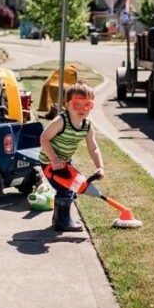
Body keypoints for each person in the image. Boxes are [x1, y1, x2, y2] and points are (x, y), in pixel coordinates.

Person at [39, 80, 104, 232]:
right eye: (77, 104)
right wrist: (54, 159)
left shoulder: (87, 126)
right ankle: (62, 222)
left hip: (66, 161)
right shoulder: (61, 121)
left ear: (91, 106)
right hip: (50, 161)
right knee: (66, 189)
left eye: (86, 105)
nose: (82, 109)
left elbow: (93, 148)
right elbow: (44, 138)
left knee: (72, 186)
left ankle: (59, 218)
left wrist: (100, 166)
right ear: (67, 105)